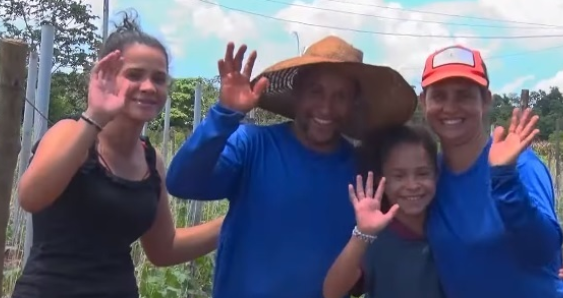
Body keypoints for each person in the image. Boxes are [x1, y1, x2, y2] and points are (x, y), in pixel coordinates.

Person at [164, 36, 416, 298]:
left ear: (353, 105)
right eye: (315, 91)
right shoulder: (251, 145)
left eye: (340, 96)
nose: (326, 107)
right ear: (297, 93)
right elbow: (181, 182)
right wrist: (224, 115)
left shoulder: (363, 175)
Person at [12, 13, 222, 298]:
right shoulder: (71, 133)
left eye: (159, 79)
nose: (148, 86)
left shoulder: (151, 159)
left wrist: (234, 220)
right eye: (134, 75)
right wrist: (95, 115)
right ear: (106, 78)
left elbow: (163, 248)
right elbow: (31, 197)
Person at [321, 125, 563, 298]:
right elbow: (332, 291)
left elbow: (497, 258)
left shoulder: (450, 225)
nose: (412, 185)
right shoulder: (377, 238)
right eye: (399, 176)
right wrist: (361, 235)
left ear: (438, 175)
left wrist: (550, 279)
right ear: (382, 180)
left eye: (422, 173)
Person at [420, 45, 563, 297]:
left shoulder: (519, 165)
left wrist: (504, 180)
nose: (450, 107)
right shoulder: (427, 176)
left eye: (464, 95)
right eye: (439, 96)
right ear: (423, 102)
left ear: (486, 100)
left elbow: (543, 250)